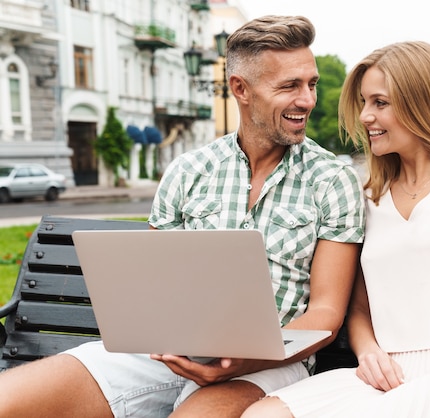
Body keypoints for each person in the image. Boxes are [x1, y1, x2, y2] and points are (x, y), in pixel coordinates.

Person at [0, 15, 365, 418]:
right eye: (289, 86)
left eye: (310, 84)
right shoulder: (187, 170)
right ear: (240, 89)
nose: (307, 100)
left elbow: (326, 316)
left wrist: (245, 361)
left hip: (273, 364)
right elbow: (155, 290)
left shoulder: (332, 180)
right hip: (166, 354)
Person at [242, 40, 430, 417]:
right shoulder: (368, 197)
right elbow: (358, 309)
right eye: (365, 103)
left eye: (380, 103)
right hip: (393, 371)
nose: (366, 117)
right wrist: (368, 351)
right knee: (263, 414)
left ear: (422, 104)